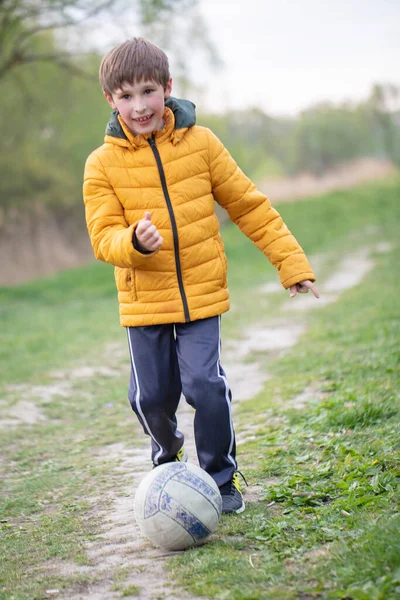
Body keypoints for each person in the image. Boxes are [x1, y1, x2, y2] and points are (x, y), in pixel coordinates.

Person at [83, 37, 319, 514]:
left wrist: (290, 264)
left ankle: (221, 479)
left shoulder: (202, 143)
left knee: (204, 385)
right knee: (150, 397)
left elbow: (250, 206)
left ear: (167, 88)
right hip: (143, 301)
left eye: (147, 91)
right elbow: (102, 235)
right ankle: (168, 459)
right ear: (110, 100)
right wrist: (133, 241)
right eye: (125, 96)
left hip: (200, 294)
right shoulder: (101, 163)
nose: (139, 105)